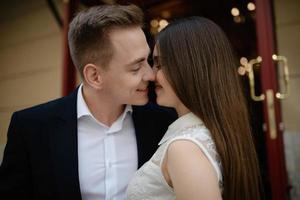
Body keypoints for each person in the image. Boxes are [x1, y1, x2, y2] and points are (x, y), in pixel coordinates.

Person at [0, 4, 175, 200]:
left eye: (148, 61)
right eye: (135, 68)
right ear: (94, 76)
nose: (151, 75)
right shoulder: (30, 128)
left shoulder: (164, 122)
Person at [126, 17, 262, 200]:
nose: (151, 74)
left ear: (189, 67)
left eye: (159, 63)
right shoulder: (217, 133)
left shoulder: (184, 148)